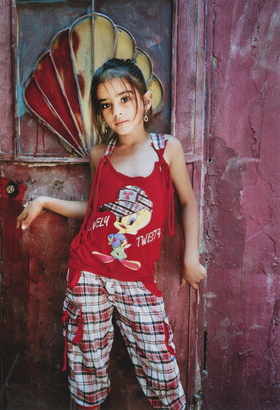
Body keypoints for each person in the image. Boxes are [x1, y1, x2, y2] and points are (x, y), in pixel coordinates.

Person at [17, 58, 207, 410]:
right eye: (106, 104)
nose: (116, 111)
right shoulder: (100, 156)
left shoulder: (167, 149)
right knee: (87, 362)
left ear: (145, 100)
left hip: (137, 279)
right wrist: (44, 201)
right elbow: (95, 212)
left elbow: (188, 202)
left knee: (159, 363)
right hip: (88, 272)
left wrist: (190, 256)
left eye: (124, 99)